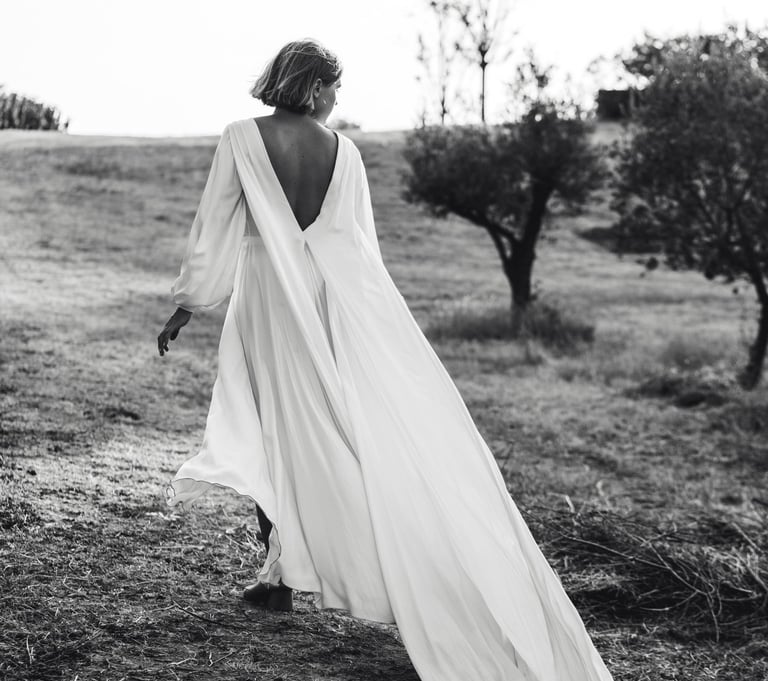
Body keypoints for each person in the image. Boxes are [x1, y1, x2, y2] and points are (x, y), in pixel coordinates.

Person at [157, 38, 614, 681]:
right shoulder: (345, 154)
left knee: (273, 429)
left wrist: (188, 304)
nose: (338, 99)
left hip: (267, 298)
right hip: (329, 299)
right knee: (332, 428)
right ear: (314, 86)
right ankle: (297, 570)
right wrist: (371, 326)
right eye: (335, 87)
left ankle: (284, 577)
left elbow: (215, 227)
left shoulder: (241, 137)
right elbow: (358, 250)